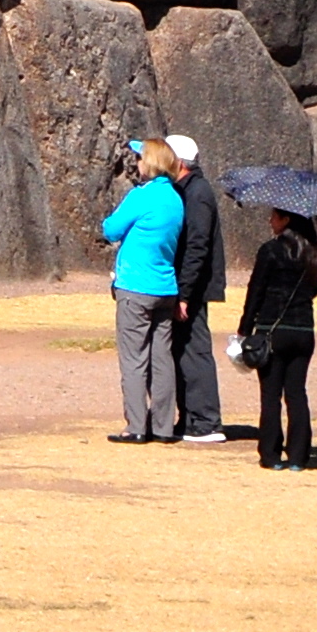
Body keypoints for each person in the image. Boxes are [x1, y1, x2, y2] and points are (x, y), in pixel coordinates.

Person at [101, 137, 189, 443]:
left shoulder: (142, 196)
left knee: (134, 358)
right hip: (165, 287)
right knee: (162, 358)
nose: (136, 162)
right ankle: (164, 427)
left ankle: (136, 426)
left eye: (140, 158)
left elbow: (110, 229)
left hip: (136, 288)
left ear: (149, 163)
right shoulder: (176, 200)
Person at [240, 207, 317, 470]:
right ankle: (299, 456)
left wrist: (245, 326)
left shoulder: (271, 250)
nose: (270, 220)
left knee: (271, 394)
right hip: (303, 330)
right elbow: (315, 290)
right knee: (297, 393)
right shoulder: (314, 254)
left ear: (286, 220)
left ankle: (271, 453)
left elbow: (256, 290)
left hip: (272, 330)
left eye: (275, 216)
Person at [167, 134, 228, 445]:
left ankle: (205, 421)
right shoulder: (186, 190)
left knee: (195, 351)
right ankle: (190, 417)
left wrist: (185, 293)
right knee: (182, 350)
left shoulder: (198, 192)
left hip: (194, 289)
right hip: (187, 287)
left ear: (179, 162)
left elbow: (197, 246)